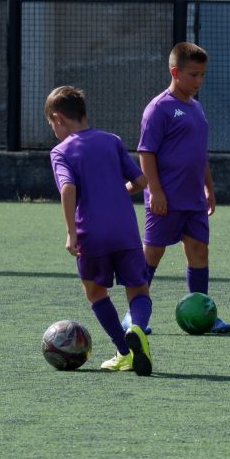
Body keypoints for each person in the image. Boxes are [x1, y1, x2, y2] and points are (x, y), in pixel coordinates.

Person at [123, 41, 230, 334]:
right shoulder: (159, 108)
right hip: (166, 199)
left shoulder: (196, 108)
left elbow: (199, 153)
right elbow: (146, 153)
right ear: (175, 72)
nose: (199, 81)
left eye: (202, 75)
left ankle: (204, 313)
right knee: (153, 254)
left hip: (193, 198)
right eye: (194, 75)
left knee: (199, 251)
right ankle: (133, 315)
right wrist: (155, 192)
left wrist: (209, 187)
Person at [46, 86, 153, 376]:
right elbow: (142, 181)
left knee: (95, 292)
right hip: (126, 230)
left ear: (58, 119)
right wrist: (118, 192)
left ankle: (124, 350)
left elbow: (68, 188)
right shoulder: (112, 141)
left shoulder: (60, 151)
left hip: (91, 233)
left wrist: (71, 232)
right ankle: (138, 330)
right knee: (138, 289)